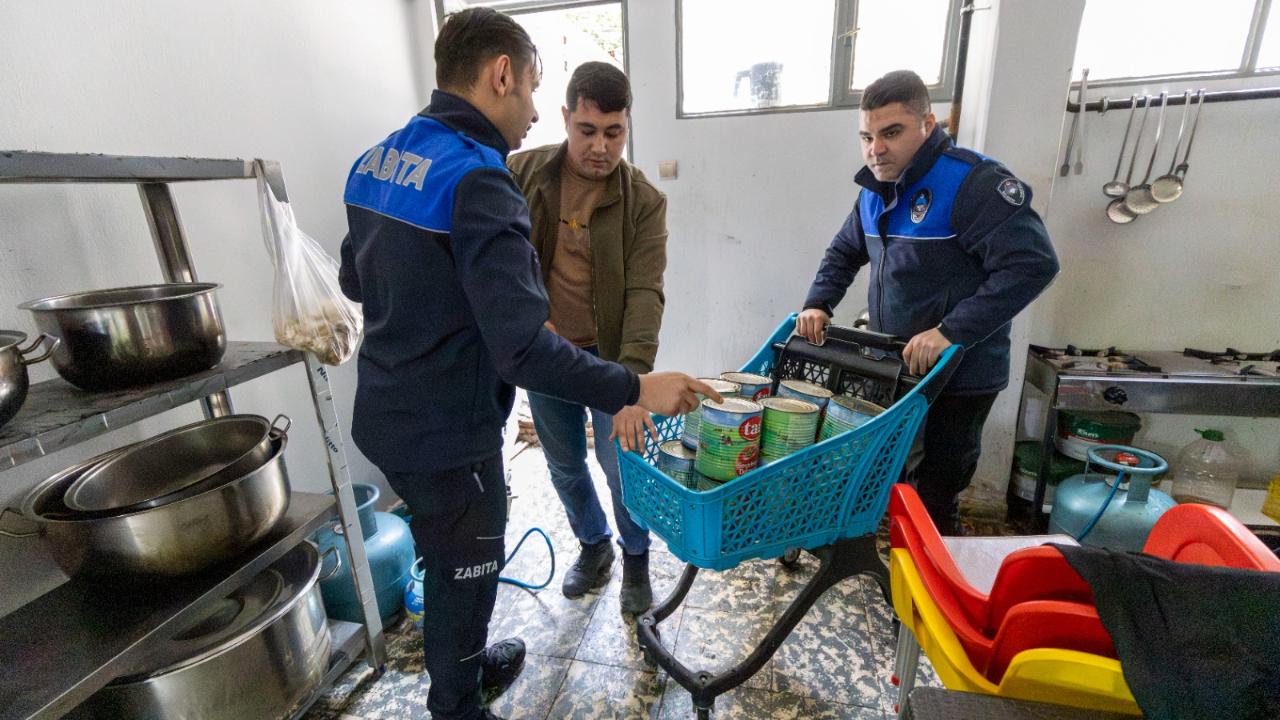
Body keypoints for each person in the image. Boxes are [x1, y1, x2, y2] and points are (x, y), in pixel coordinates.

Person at [337, 9, 718, 720]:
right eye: (537, 92)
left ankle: (474, 661)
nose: (535, 111)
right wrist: (637, 387)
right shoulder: (488, 176)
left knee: (455, 550)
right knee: (467, 571)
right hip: (455, 424)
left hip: (387, 411)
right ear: (502, 74)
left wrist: (621, 371)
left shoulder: (377, 161)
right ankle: (459, 704)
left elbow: (355, 282)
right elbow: (519, 346)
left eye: (614, 132)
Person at [796, 70, 1059, 535]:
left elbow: (1032, 265)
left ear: (928, 124)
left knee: (936, 491)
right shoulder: (874, 190)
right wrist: (819, 301)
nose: (876, 149)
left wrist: (950, 332)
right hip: (895, 367)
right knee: (891, 475)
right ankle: (899, 559)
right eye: (867, 137)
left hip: (959, 375)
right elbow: (844, 252)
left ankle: (934, 574)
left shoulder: (973, 183)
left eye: (891, 133)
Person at [507, 62, 665, 614]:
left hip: (610, 355)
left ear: (627, 125)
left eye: (614, 133)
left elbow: (645, 292)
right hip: (546, 352)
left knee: (621, 466)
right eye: (587, 131)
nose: (600, 147)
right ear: (565, 118)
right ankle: (594, 545)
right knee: (565, 463)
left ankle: (636, 557)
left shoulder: (643, 200)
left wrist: (633, 384)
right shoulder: (522, 171)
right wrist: (525, 319)